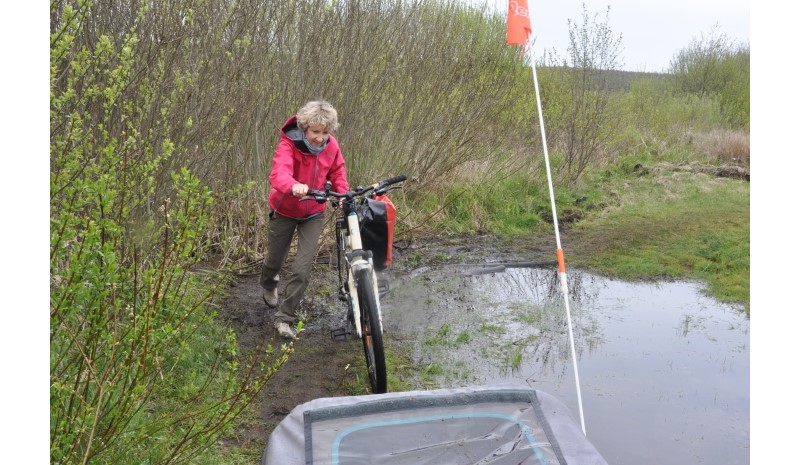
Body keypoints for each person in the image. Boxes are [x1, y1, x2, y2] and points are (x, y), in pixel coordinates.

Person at [260, 100, 349, 339]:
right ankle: (269, 283)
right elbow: (279, 173)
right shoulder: (289, 144)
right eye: (315, 132)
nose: (320, 138)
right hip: (286, 208)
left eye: (325, 132)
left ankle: (285, 318)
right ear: (304, 128)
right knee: (274, 260)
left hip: (313, 213)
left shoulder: (332, 146)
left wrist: (341, 194)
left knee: (302, 268)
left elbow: (338, 172)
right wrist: (293, 186)